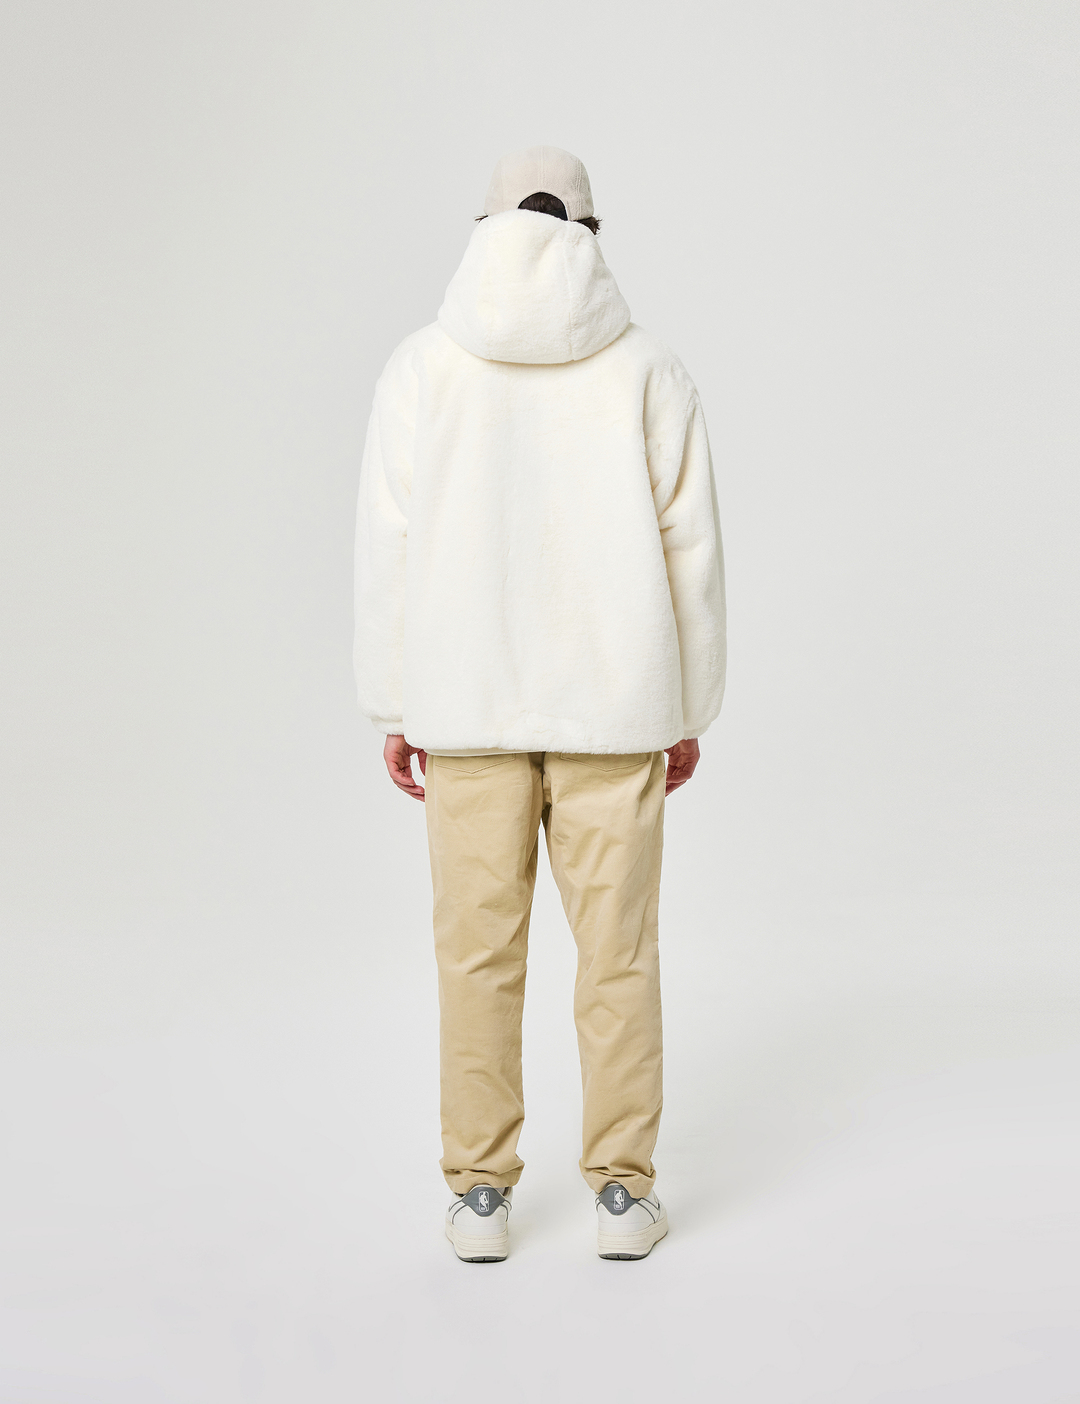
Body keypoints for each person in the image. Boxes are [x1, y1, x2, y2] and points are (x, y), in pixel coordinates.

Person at [354, 146, 725, 1262]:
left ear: (483, 229)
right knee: (619, 956)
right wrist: (688, 706)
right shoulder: (647, 368)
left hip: (464, 705)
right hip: (615, 709)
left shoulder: (422, 367)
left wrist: (395, 703)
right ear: (590, 234)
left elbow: (388, 542)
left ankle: (480, 1197)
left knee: (475, 958)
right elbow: (690, 548)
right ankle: (622, 1194)